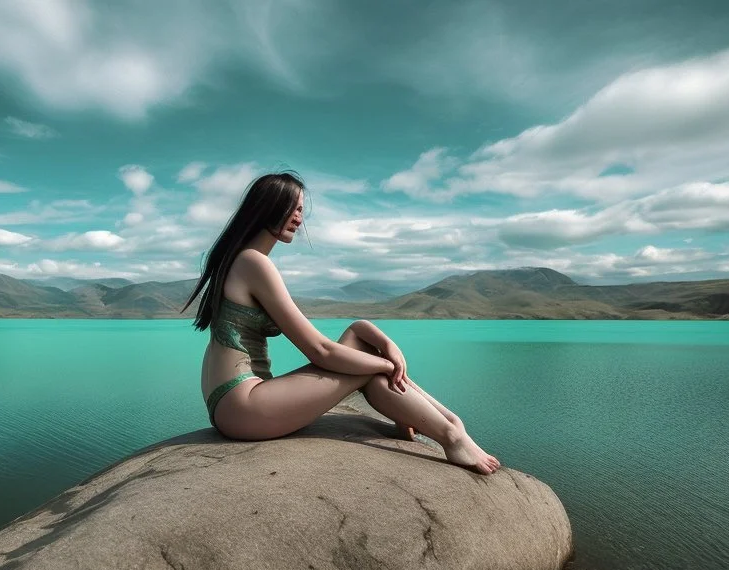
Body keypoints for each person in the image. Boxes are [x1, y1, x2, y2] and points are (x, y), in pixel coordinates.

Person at [180, 171, 500, 474]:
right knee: (369, 369)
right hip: (242, 406)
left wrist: (387, 346)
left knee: (361, 340)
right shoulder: (253, 263)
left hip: (232, 403)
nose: (299, 218)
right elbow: (321, 351)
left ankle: (447, 425)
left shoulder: (243, 260)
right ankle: (452, 435)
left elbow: (345, 340)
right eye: (293, 207)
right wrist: (386, 366)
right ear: (268, 207)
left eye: (301, 209)